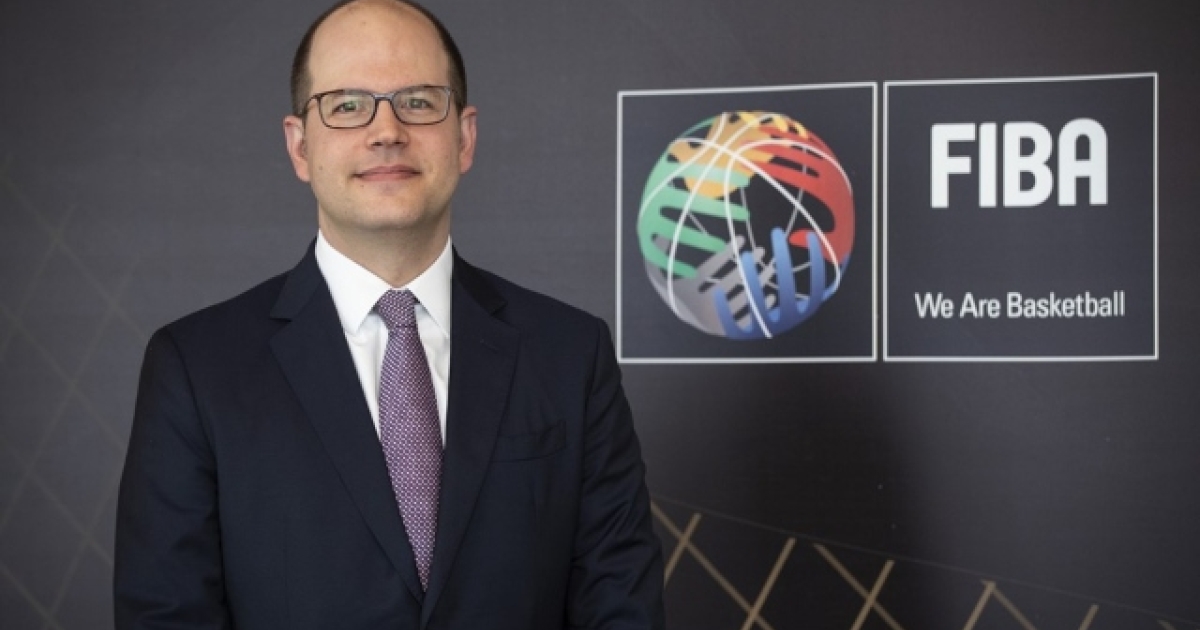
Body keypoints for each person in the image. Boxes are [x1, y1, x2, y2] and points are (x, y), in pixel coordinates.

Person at [113, 0, 665, 627]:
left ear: (465, 137)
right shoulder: (197, 368)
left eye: (419, 101)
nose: (386, 131)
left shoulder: (570, 354)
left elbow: (621, 605)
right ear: (300, 146)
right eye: (348, 105)